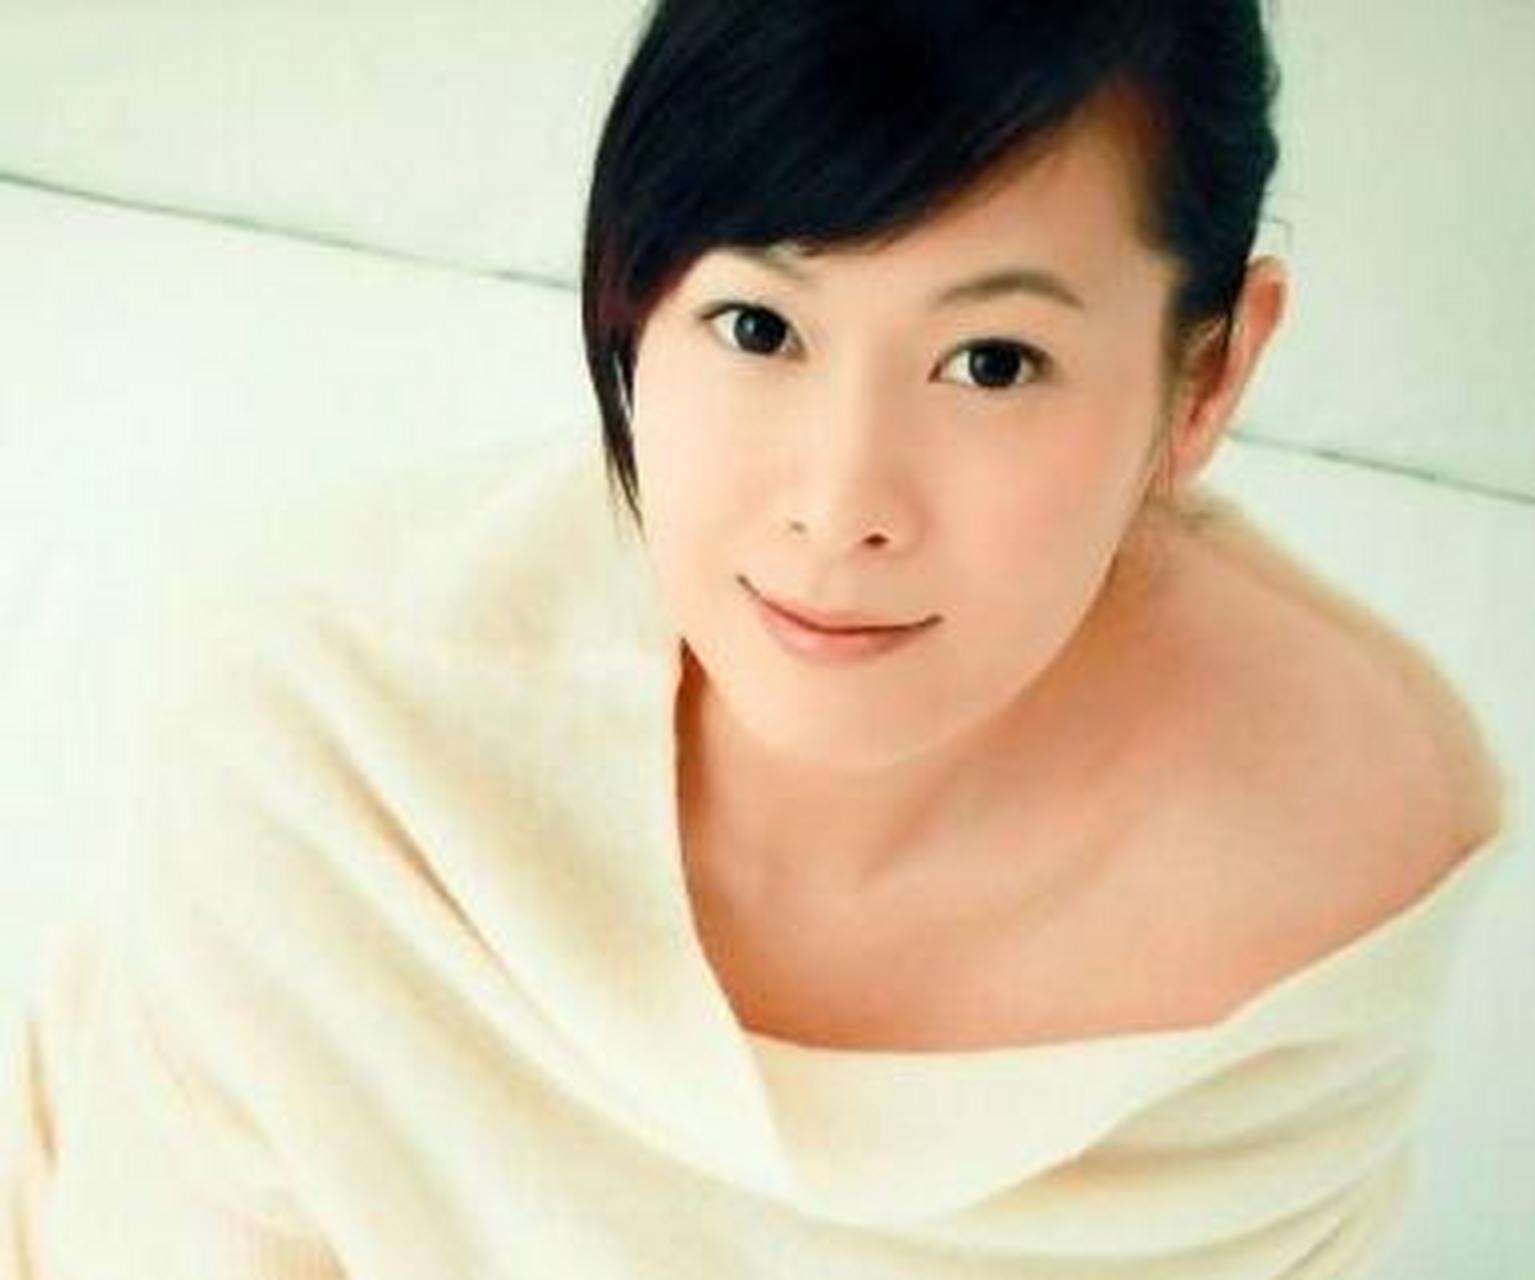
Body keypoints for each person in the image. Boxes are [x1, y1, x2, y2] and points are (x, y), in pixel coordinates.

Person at [2, 1, 1510, 1277]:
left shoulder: (1341, 850)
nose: (839, 508)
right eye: (758, 328)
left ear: (1210, 376)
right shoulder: (322, 736)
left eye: (994, 362)